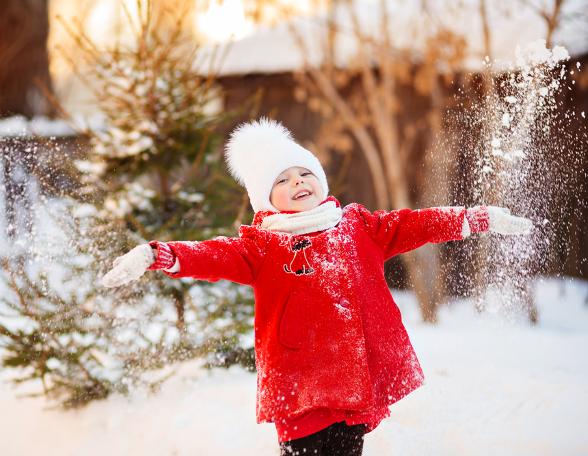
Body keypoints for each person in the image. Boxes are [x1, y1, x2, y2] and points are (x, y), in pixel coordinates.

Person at [101, 118, 533, 455]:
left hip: (351, 381)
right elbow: (210, 255)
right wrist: (155, 254)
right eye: (282, 181)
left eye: (303, 173)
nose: (297, 184)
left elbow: (413, 224)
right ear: (265, 198)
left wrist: (474, 218)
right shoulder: (262, 246)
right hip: (299, 388)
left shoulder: (357, 225)